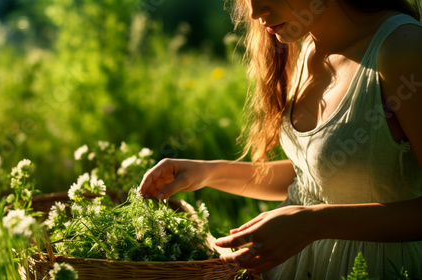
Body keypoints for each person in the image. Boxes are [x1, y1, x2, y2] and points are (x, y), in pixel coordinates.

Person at [140, 0, 422, 278]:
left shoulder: (405, 48)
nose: (254, 12)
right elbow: (318, 176)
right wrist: (207, 172)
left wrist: (315, 224)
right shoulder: (310, 47)